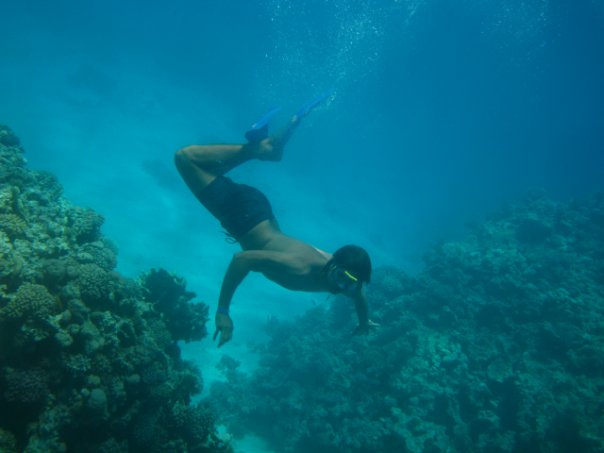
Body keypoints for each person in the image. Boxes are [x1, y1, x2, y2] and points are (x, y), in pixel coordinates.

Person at [174, 100, 375, 347]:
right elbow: (242, 259)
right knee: (185, 159)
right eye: (341, 276)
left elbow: (360, 294)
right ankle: (259, 149)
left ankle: (267, 150)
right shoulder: (299, 267)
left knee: (206, 170)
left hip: (258, 213)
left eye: (350, 282)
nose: (341, 286)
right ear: (332, 264)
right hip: (242, 215)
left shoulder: (348, 284)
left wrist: (363, 322)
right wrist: (223, 311)